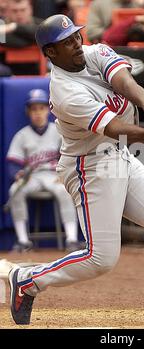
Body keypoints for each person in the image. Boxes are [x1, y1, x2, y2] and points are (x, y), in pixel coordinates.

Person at [8, 14, 144, 325]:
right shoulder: (64, 91)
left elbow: (125, 81)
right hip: (89, 167)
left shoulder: (95, 52)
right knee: (101, 259)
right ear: (50, 53)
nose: (76, 45)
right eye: (66, 43)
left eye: (76, 37)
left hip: (120, 155)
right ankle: (28, 280)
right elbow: (113, 127)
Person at [6, 89, 81, 253]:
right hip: (32, 177)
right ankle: (23, 241)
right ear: (28, 112)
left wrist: (65, 175)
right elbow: (13, 163)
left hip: (55, 176)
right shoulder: (22, 135)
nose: (38, 113)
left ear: (48, 110)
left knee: (66, 191)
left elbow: (72, 156)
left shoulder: (58, 130)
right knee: (14, 190)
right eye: (34, 109)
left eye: (41, 108)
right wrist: (17, 175)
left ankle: (72, 239)